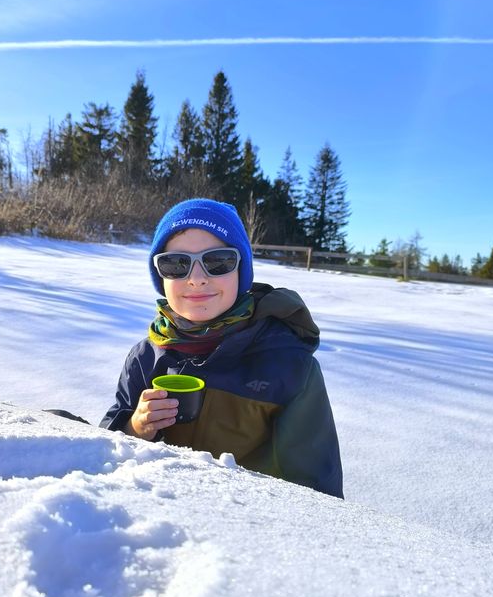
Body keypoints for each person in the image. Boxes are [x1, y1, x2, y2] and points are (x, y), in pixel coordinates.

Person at [100, 198, 343, 498]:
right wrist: (135, 428)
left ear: (241, 271)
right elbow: (103, 448)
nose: (197, 279)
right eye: (176, 264)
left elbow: (317, 491)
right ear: (160, 276)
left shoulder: (289, 366)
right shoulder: (145, 357)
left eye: (218, 262)